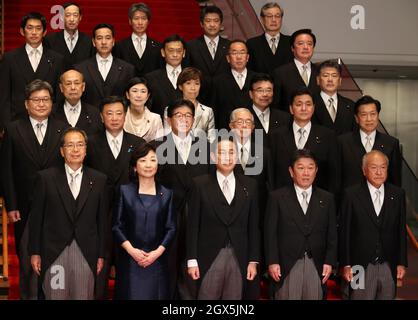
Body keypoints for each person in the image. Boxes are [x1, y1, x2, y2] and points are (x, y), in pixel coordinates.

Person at [1, 79, 68, 299]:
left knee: (55, 256)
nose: (41, 104)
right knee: (27, 258)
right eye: (36, 100)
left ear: (52, 102)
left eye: (46, 99)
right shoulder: (13, 129)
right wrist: (10, 205)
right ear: (26, 104)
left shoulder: (63, 128)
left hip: (56, 205)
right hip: (23, 206)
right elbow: (6, 169)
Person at [29, 127, 108, 300]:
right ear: (62, 151)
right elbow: (36, 219)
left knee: (83, 296)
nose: (75, 149)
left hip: (86, 251)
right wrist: (35, 252)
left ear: (86, 150)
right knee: (55, 295)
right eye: (70, 145)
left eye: (80, 145)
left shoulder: (99, 180)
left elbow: (102, 221)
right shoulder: (46, 178)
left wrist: (102, 254)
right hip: (54, 251)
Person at [152, 99, 212, 299]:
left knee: (193, 264)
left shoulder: (206, 147)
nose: (184, 119)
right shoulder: (157, 147)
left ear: (194, 120)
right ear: (169, 120)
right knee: (168, 264)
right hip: (168, 214)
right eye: (178, 115)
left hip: (199, 215)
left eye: (188, 115)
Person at [86, 96, 145, 299]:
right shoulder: (90, 142)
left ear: (125, 115)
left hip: (129, 212)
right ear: (101, 117)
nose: (114, 118)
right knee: (100, 262)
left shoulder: (137, 143)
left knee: (126, 264)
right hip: (98, 211)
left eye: (119, 113)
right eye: (109, 113)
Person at [187, 138, 260, 300]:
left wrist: (253, 260)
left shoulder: (250, 185)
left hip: (239, 254)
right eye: (222, 153)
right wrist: (191, 260)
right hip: (208, 254)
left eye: (231, 153)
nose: (227, 157)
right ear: (213, 157)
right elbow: (192, 225)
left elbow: (253, 226)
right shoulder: (199, 184)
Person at [264, 148, 337, 300]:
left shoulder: (327, 198)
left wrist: (329, 261)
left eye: (310, 168)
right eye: (301, 167)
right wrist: (272, 261)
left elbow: (332, 234)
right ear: (291, 171)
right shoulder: (277, 197)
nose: (306, 173)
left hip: (316, 264)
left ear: (316, 171)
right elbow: (270, 233)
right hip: (286, 265)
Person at [339, 150, 407, 300]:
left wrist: (401, 263)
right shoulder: (351, 194)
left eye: (383, 168)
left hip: (388, 264)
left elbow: (401, 230)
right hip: (358, 266)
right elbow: (345, 232)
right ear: (364, 170)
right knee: (357, 296)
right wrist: (346, 264)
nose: (379, 172)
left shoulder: (397, 194)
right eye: (373, 167)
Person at [113, 143, 176, 300]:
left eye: (153, 160)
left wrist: (156, 253)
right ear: (134, 167)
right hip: (130, 261)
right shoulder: (124, 191)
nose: (148, 165)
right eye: (143, 160)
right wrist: (132, 251)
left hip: (157, 262)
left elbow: (171, 228)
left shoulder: (167, 194)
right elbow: (117, 226)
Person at [0, 12, 64, 130]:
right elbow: (4, 96)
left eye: (38, 28)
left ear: (44, 32)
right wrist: (5, 125)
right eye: (30, 28)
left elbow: (58, 97)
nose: (34, 32)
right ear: (22, 31)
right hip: (17, 122)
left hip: (48, 122)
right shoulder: (9, 58)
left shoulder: (57, 59)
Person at [269, 88, 338, 193]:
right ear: (291, 109)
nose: (304, 108)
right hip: (283, 199)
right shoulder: (276, 136)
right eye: (299, 104)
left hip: (317, 200)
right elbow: (271, 173)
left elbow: (333, 174)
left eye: (308, 104)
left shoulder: (327, 136)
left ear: (313, 108)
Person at [337, 95, 402, 191]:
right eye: (364, 115)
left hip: (381, 202)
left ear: (378, 116)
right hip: (351, 202)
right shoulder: (342, 142)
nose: (369, 119)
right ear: (356, 118)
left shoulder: (391, 143)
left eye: (373, 114)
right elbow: (336, 179)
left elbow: (395, 181)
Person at [74, 23, 135, 108]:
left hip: (116, 118)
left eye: (108, 38)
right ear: (93, 42)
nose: (103, 42)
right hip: (89, 118)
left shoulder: (127, 69)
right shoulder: (80, 68)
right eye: (99, 38)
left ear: (113, 41)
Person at [186, 5, 230, 106]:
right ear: (201, 23)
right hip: (199, 97)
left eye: (216, 21)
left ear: (221, 23)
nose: (212, 24)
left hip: (224, 97)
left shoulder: (229, 45)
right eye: (208, 21)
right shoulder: (191, 46)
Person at [211, 40, 256, 129]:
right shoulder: (217, 81)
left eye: (242, 53)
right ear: (228, 58)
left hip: (255, 132)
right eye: (234, 53)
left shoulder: (258, 79)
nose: (238, 57)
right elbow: (215, 112)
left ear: (247, 57)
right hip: (226, 133)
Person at [272, 29, 320, 111]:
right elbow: (275, 105)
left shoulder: (321, 72)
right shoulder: (280, 73)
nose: (305, 47)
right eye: (300, 44)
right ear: (292, 48)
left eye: (309, 44)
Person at [164, 67, 216, 142]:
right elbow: (168, 136)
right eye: (188, 83)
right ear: (180, 86)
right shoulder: (170, 109)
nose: (193, 88)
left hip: (201, 151)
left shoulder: (208, 111)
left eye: (197, 83)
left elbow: (211, 139)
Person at [114, 3, 162, 77]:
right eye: (136, 18)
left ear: (148, 21)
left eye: (143, 18)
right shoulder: (120, 46)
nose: (140, 23)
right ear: (130, 21)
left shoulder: (158, 46)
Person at [44, 2, 94, 69]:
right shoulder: (50, 40)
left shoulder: (89, 41)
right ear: (62, 17)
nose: (72, 19)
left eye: (75, 15)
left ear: (80, 17)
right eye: (68, 15)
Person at [246, 2, 292, 75]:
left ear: (281, 19)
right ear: (262, 19)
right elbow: (249, 72)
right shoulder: (252, 44)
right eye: (269, 16)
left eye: (277, 16)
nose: (274, 20)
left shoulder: (291, 42)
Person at [145, 34, 184, 118]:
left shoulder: (192, 77)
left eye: (179, 51)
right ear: (163, 52)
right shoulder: (151, 78)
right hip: (159, 128)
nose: (175, 54)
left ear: (184, 53)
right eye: (171, 50)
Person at [54, 69, 103, 136]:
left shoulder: (94, 113)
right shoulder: (51, 112)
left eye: (77, 83)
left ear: (83, 86)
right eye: (68, 84)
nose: (73, 87)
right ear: (61, 87)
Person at [313, 59, 356, 135]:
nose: (330, 80)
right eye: (325, 75)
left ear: (340, 81)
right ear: (318, 80)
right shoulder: (310, 103)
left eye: (334, 76)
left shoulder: (350, 105)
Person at [248, 73, 291, 147]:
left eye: (269, 90)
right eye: (260, 90)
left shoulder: (285, 118)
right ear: (251, 94)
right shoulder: (243, 117)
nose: (265, 94)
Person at [124, 77, 163, 142]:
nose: (139, 95)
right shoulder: (121, 117)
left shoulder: (155, 119)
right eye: (134, 91)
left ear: (148, 96)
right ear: (127, 95)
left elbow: (159, 145)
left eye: (143, 91)